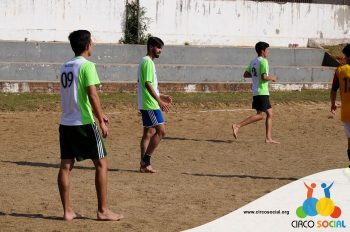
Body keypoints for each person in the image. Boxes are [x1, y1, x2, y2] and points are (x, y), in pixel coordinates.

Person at [57, 30, 123, 221]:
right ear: (87, 45)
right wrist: (100, 120)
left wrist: (101, 114)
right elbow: (92, 95)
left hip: (66, 122)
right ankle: (103, 211)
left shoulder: (65, 66)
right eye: (92, 42)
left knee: (65, 167)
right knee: (101, 164)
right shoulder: (87, 66)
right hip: (84, 123)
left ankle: (67, 211)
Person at [232, 41, 279, 144]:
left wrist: (255, 78)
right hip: (262, 91)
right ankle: (237, 125)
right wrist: (273, 78)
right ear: (263, 51)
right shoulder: (264, 61)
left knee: (270, 113)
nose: (268, 52)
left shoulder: (253, 61)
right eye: (267, 50)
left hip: (257, 91)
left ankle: (268, 138)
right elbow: (264, 77)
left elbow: (245, 74)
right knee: (260, 115)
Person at [137, 36, 172, 173]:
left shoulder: (148, 62)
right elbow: (147, 84)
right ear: (150, 47)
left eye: (160, 48)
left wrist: (161, 96)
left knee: (148, 132)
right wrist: (159, 101)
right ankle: (145, 161)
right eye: (158, 47)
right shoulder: (147, 62)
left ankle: (143, 165)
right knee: (161, 131)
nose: (160, 51)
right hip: (150, 104)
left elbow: (149, 84)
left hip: (148, 102)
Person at [330, 44, 350, 169]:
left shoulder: (340, 70)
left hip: (347, 111)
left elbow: (333, 90)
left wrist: (333, 104)